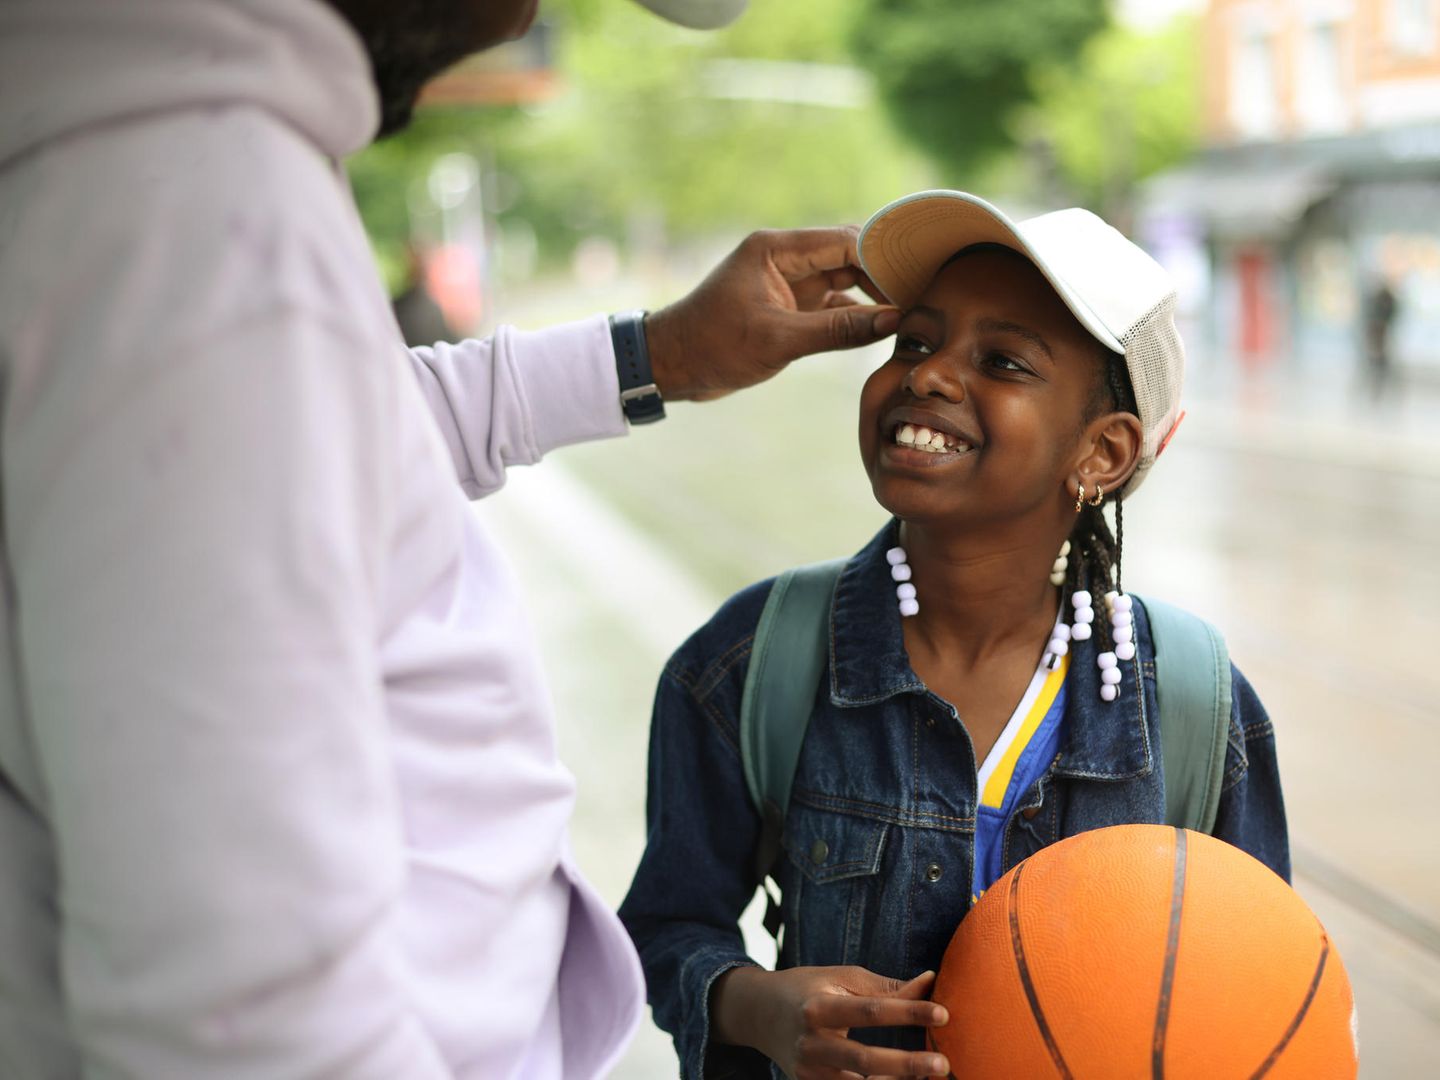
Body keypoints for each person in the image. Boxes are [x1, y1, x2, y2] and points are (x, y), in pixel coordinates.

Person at [0, 1, 904, 1077]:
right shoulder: (199, 219)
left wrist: (663, 353)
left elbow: (339, 428)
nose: (528, 14)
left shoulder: (177, 184)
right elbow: (242, 1029)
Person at [618, 190, 1290, 1079]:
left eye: (1004, 361)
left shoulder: (1196, 707)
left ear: (1103, 453)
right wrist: (752, 1006)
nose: (929, 376)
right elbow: (666, 929)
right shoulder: (752, 662)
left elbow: (1261, 989)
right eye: (917, 341)